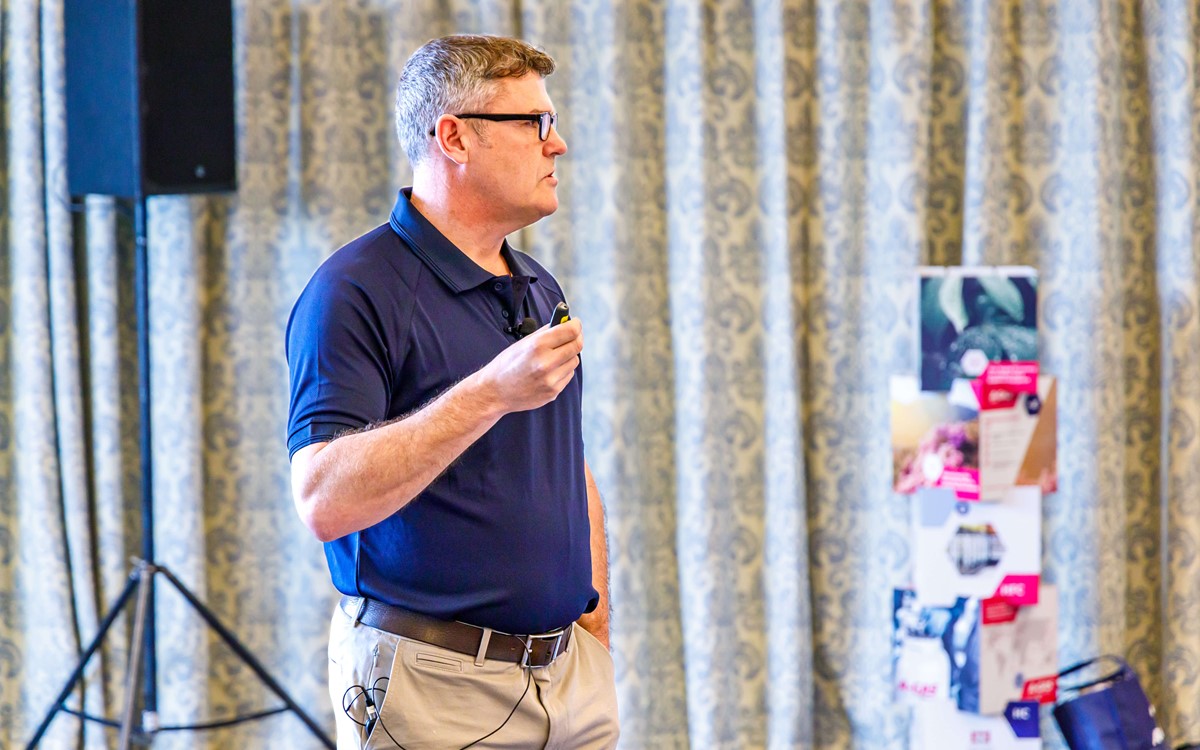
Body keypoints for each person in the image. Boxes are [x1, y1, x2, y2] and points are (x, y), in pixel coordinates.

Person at [285, 34, 618, 749]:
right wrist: (491, 392)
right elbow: (321, 499)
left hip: (570, 683)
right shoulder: (354, 291)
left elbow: (565, 463)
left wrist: (595, 625)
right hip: (434, 690)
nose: (556, 145)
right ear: (454, 137)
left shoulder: (535, 283)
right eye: (535, 123)